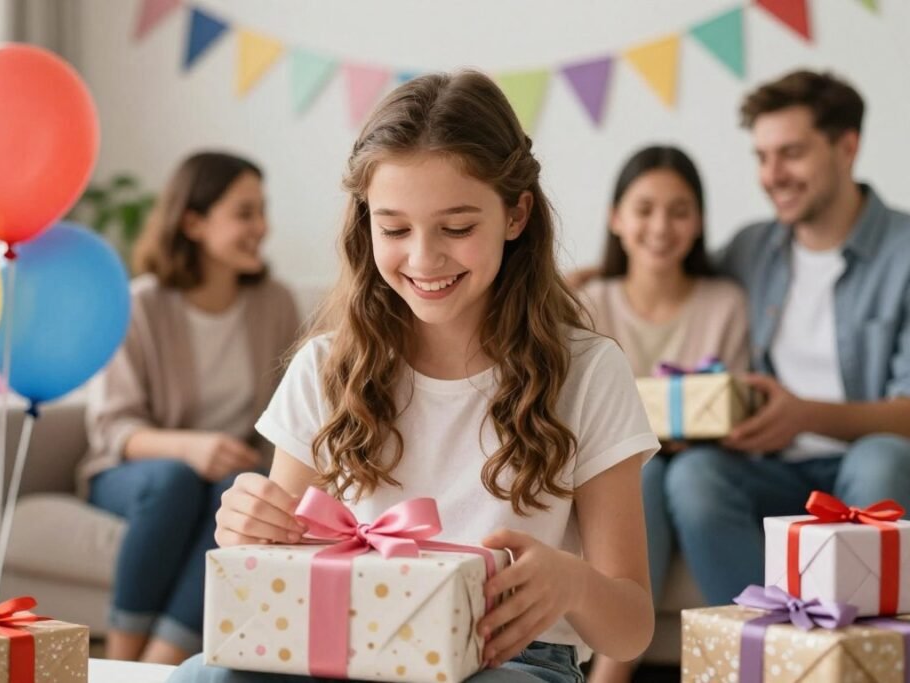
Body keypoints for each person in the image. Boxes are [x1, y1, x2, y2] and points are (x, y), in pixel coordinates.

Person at [170, 70, 661, 683]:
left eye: (457, 228)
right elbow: (277, 580)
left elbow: (634, 626)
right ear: (365, 221)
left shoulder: (587, 371)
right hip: (346, 648)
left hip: (511, 662)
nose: (425, 259)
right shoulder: (324, 369)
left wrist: (574, 583)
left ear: (516, 215)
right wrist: (250, 529)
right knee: (203, 677)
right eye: (395, 229)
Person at [664, 70, 910, 606]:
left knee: (882, 459)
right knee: (695, 474)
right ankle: (771, 646)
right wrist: (588, 279)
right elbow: (670, 275)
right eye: (762, 156)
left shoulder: (904, 252)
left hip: (864, 462)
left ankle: (857, 654)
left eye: (791, 153)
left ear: (847, 147)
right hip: (769, 469)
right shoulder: (753, 249)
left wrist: (804, 416)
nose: (772, 175)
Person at [79, 151, 300, 664]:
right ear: (194, 222)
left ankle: (160, 665)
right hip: (136, 475)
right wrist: (192, 448)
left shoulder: (276, 303)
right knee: (177, 481)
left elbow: (293, 413)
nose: (261, 227)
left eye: (262, 211)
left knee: (238, 494)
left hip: (224, 475)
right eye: (245, 213)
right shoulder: (142, 304)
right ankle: (119, 662)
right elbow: (113, 426)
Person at [580, 145, 748, 683]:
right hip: (627, 467)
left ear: (699, 222)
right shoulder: (589, 302)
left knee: (681, 477)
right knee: (643, 474)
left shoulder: (726, 302)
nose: (661, 226)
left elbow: (732, 403)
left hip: (707, 462)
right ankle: (614, 668)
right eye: (644, 208)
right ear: (616, 218)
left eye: (680, 211)